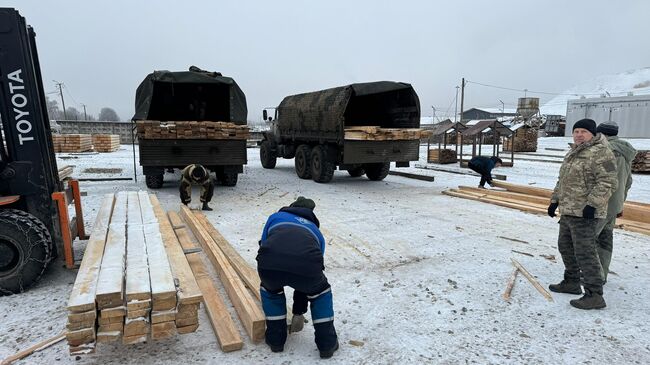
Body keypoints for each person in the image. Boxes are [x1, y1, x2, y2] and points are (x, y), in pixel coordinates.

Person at [547, 118, 617, 310]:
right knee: (566, 247)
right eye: (576, 131)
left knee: (586, 253)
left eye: (583, 131)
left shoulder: (602, 153)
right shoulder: (573, 152)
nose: (579, 134)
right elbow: (563, 180)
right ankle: (571, 282)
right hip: (569, 211)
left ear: (592, 134)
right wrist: (554, 200)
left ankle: (595, 295)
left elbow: (608, 181)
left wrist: (592, 204)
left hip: (586, 214)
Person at [256, 196, 339, 359]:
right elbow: (309, 273)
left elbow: (264, 243)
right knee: (320, 293)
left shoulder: (275, 217)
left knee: (271, 292)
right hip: (306, 268)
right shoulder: (316, 232)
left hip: (269, 264)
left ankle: (276, 342)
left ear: (291, 207)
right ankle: (327, 345)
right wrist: (299, 312)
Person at [594, 121, 636, 283]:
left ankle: (594, 275)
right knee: (605, 239)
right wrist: (620, 203)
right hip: (614, 204)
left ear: (602, 134)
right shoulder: (624, 151)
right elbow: (628, 181)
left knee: (589, 240)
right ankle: (602, 273)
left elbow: (606, 180)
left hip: (601, 203)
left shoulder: (607, 151)